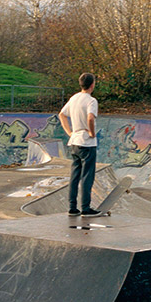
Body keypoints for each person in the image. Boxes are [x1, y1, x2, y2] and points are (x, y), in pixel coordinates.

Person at [58, 73, 99, 217]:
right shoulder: (91, 101)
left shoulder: (74, 98)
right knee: (87, 176)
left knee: (75, 175)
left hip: (74, 141)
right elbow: (90, 118)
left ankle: (72, 207)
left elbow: (62, 114)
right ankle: (85, 208)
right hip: (87, 143)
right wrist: (92, 133)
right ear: (92, 85)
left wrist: (69, 132)